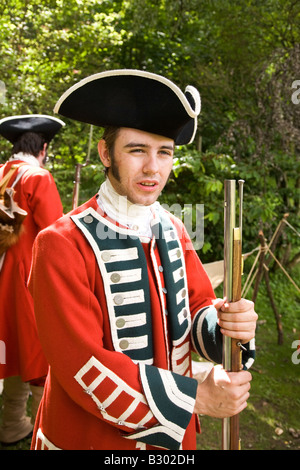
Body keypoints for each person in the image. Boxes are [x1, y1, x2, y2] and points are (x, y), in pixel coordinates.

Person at [29, 70, 257, 451]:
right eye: (137, 150)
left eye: (164, 152)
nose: (153, 167)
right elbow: (81, 364)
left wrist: (227, 326)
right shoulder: (59, 243)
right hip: (92, 440)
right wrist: (195, 398)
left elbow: (197, 307)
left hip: (172, 439)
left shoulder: (173, 228)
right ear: (106, 153)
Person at [0, 115, 65, 445]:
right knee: (39, 345)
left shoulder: (1, 173)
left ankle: (12, 422)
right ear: (42, 148)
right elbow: (56, 233)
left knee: (11, 344)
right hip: (25, 278)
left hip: (2, 276)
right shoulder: (37, 176)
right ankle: (47, 424)